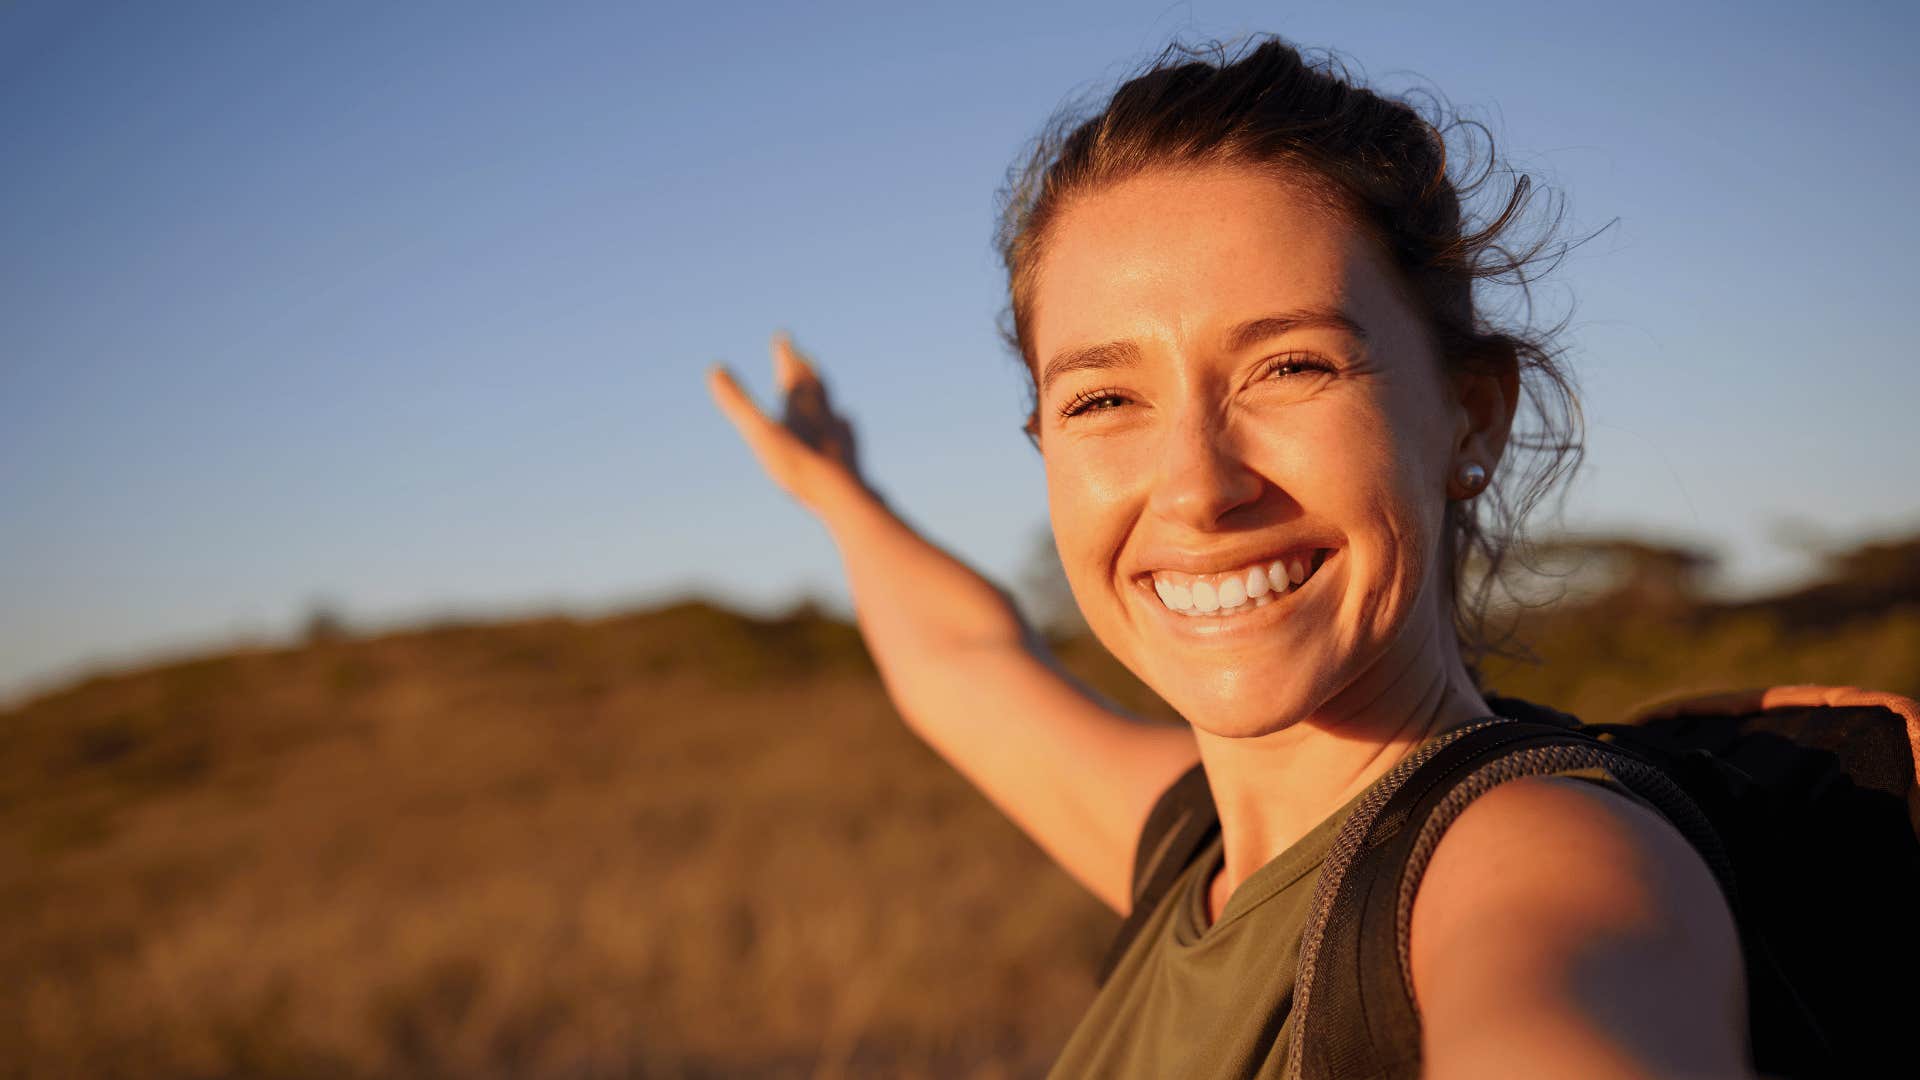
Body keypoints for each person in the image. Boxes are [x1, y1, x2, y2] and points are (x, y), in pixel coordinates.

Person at [706, 36, 1751, 1079]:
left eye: (1289, 366)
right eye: (1104, 399)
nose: (1199, 487)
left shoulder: (1536, 860)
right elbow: (964, 668)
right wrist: (839, 495)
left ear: (1470, 416)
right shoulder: (1196, 851)